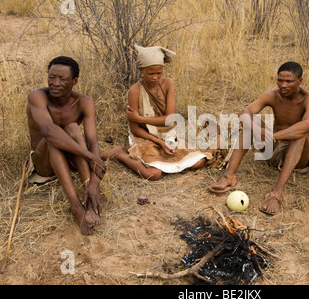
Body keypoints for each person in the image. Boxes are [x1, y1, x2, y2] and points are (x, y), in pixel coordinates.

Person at [209, 61, 309, 215]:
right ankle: (229, 177)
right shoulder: (272, 95)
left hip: (298, 158)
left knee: (300, 134)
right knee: (250, 122)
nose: (283, 85)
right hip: (273, 148)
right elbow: (244, 112)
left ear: (300, 81)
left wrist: (273, 136)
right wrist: (256, 130)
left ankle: (276, 193)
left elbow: (307, 125)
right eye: (280, 80)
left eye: (289, 81)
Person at [101, 45, 207, 179]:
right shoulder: (135, 91)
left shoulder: (168, 84)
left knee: (199, 162)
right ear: (141, 70)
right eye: (151, 73)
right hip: (145, 137)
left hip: (166, 135)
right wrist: (160, 143)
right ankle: (120, 154)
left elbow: (169, 120)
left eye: (159, 73)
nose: (155, 77)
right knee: (153, 174)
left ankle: (161, 153)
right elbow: (135, 129)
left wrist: (140, 119)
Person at [27, 56, 106, 235]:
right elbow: (48, 131)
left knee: (71, 127)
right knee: (54, 136)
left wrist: (95, 183)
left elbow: (93, 142)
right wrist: (91, 157)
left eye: (62, 79)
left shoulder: (84, 102)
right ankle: (76, 207)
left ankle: (90, 198)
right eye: (51, 77)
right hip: (44, 163)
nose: (55, 83)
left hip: (70, 160)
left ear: (74, 81)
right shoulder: (38, 96)